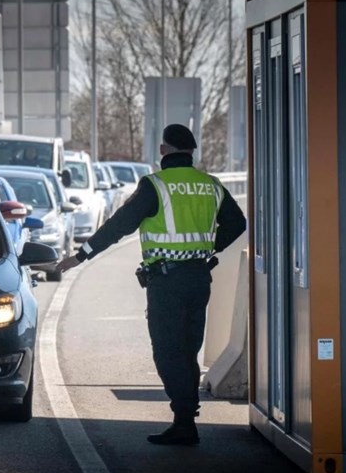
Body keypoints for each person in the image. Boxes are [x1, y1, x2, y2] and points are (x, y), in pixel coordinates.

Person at [56, 123, 246, 446]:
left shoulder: (155, 186)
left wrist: (81, 255)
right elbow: (237, 222)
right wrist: (211, 248)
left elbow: (119, 225)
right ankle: (185, 420)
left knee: (167, 351)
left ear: (163, 150)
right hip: (200, 278)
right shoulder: (210, 185)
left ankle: (185, 415)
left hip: (167, 281)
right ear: (192, 152)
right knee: (188, 348)